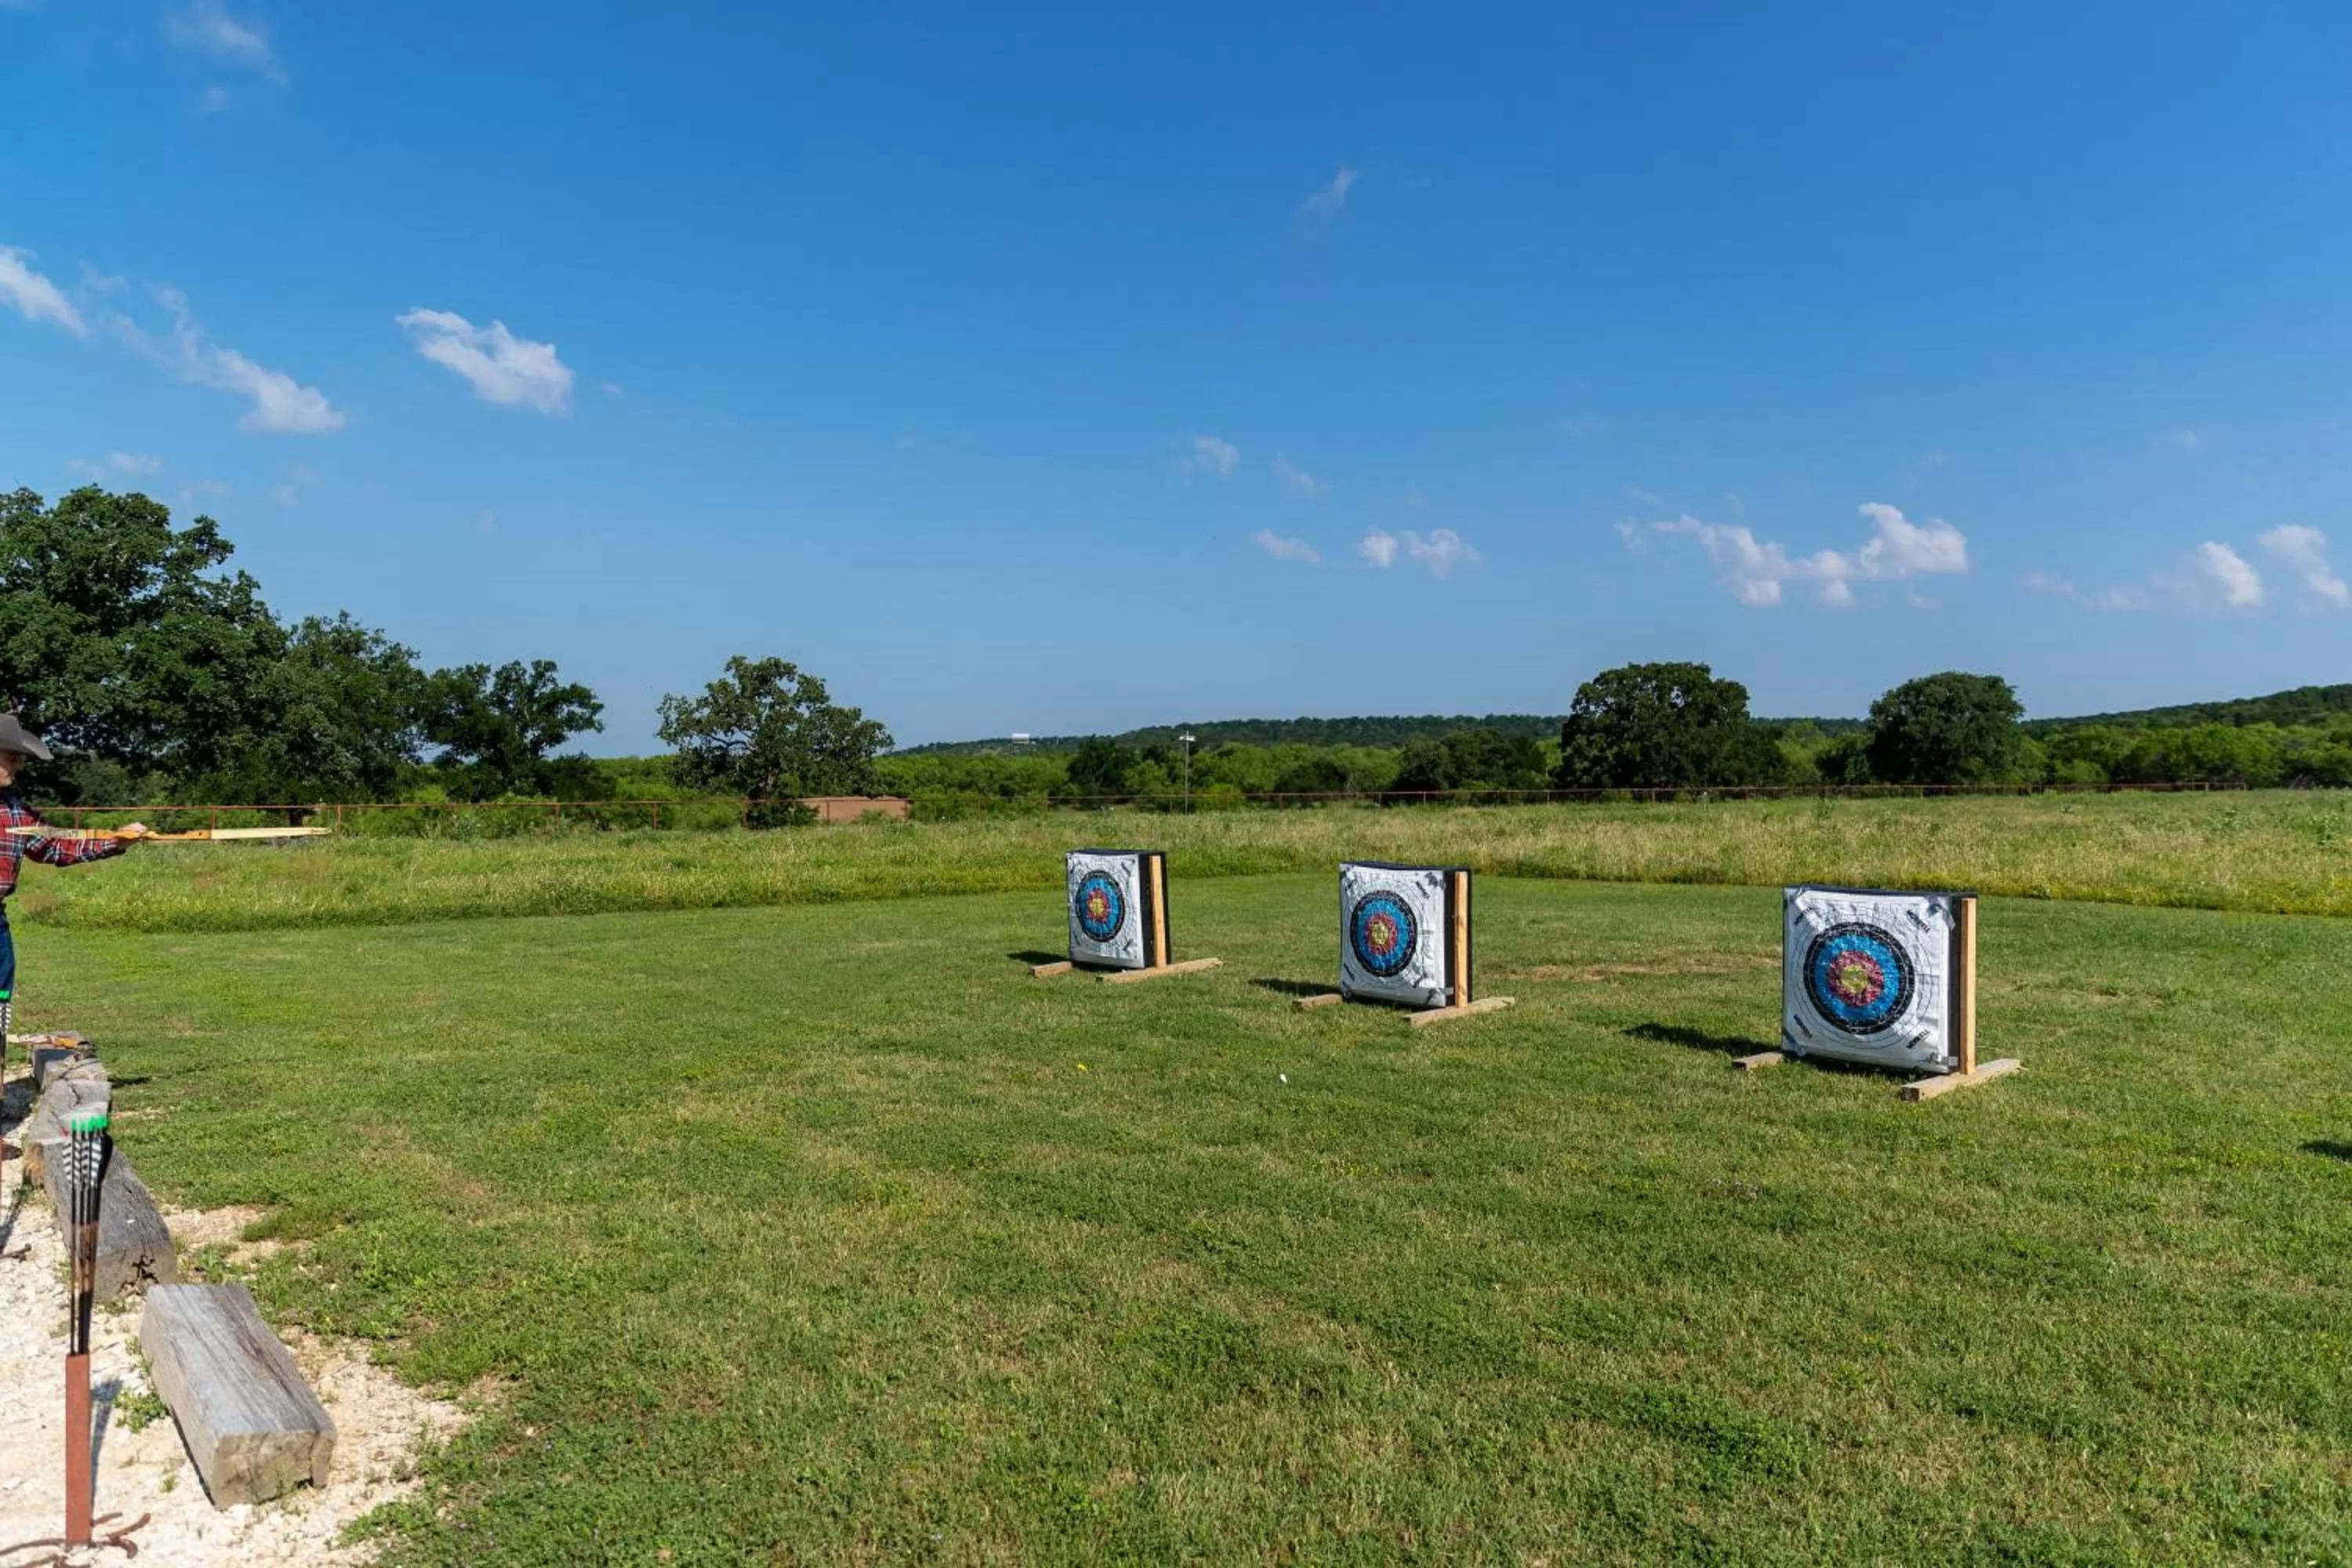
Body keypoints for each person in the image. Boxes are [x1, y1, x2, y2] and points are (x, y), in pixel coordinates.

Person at [0, 714, 147, 1043]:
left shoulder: (16, 812)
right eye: (12, 757)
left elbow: (57, 847)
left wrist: (117, 841)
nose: (18, 766)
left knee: (0, 999)